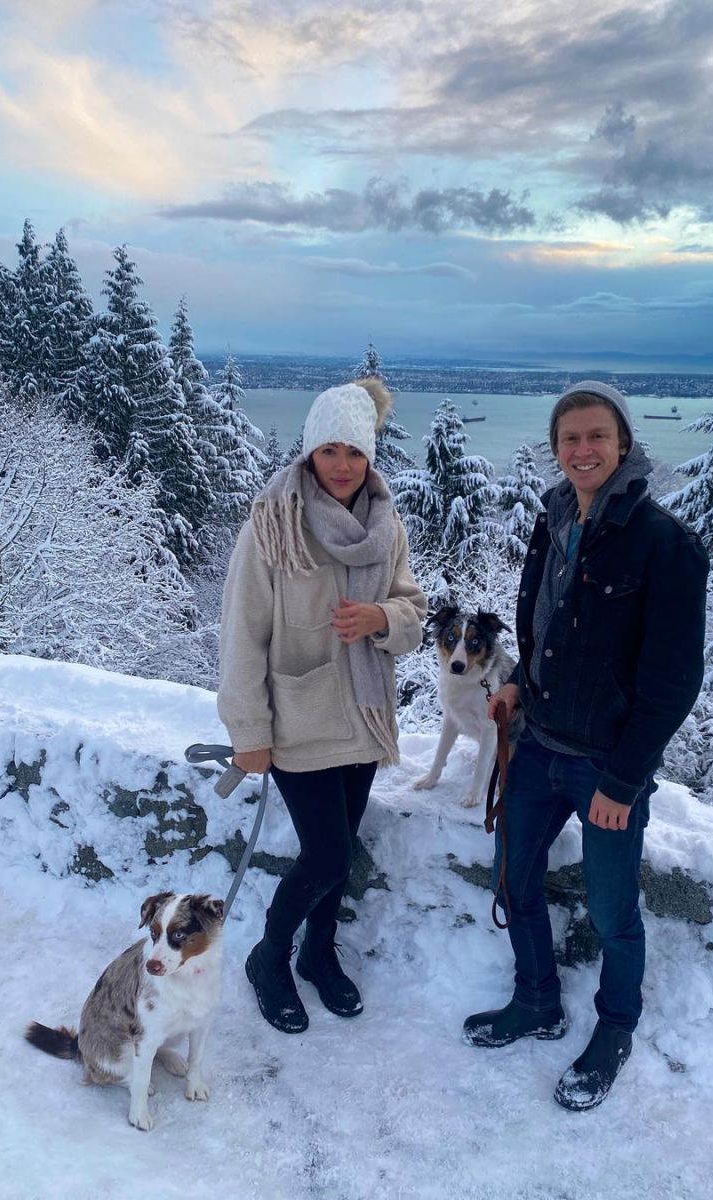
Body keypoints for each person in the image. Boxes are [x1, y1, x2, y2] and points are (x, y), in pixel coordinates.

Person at [463, 380, 708, 1110]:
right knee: (513, 879)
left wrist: (625, 782)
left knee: (611, 913)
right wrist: (517, 689)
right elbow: (546, 627)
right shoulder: (554, 519)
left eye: (596, 436)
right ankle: (537, 999)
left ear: (623, 443)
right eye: (569, 438)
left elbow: (672, 683)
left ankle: (615, 1028)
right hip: (538, 741)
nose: (582, 450)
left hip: (607, 765)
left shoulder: (665, 545)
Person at [218, 378, 427, 1034]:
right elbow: (242, 631)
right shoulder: (273, 522)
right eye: (330, 450)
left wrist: (380, 617)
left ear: (370, 458)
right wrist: (247, 729)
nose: (343, 465)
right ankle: (269, 957)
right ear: (310, 453)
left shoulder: (385, 525)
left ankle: (316, 951)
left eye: (355, 452)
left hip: (363, 719)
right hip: (299, 720)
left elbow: (415, 614)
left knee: (337, 852)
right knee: (329, 856)